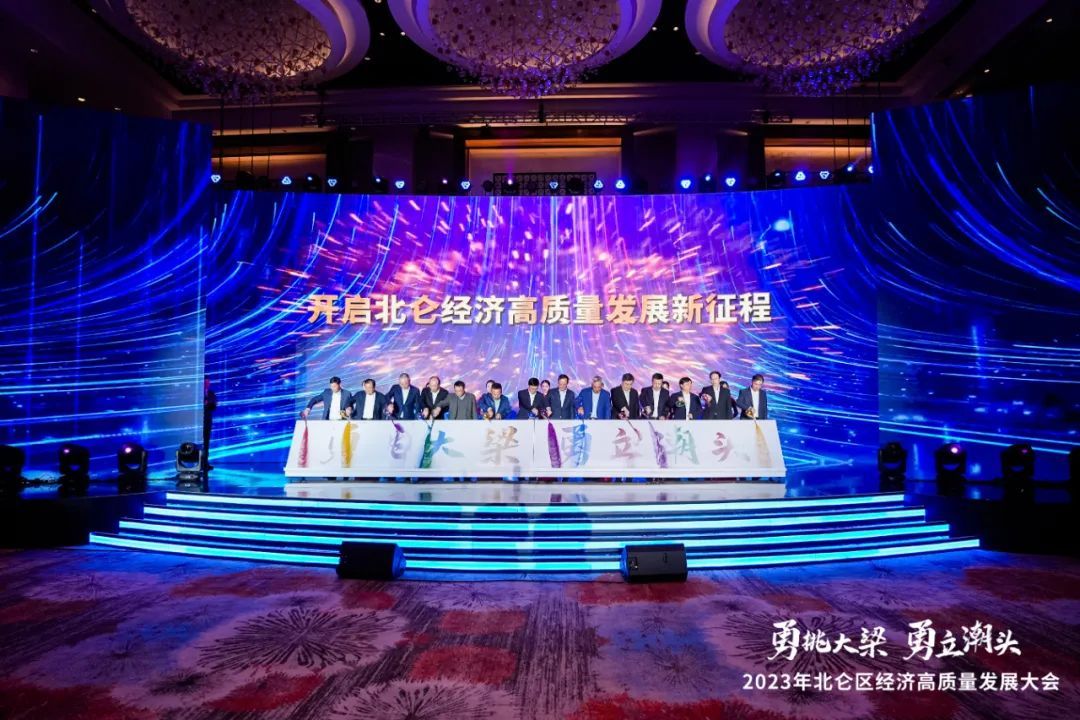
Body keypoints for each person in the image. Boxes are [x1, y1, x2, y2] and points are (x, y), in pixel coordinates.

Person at [202, 376, 217, 471]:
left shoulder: (211, 393)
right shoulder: (197, 393)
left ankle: (205, 463)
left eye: (208, 382)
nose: (207, 384)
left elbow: (214, 406)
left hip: (207, 421)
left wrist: (207, 403)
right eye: (205, 382)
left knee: (206, 442)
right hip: (198, 421)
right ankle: (197, 462)